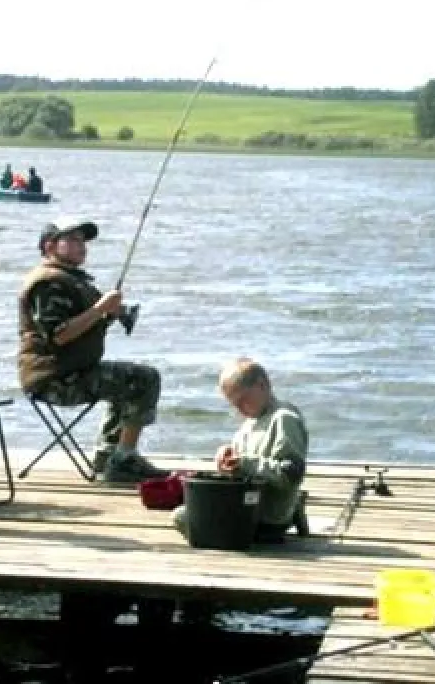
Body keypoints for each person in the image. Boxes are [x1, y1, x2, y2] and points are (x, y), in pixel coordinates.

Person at [17, 218, 168, 483]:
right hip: (55, 380)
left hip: (73, 370)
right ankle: (124, 458)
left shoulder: (70, 280)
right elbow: (59, 335)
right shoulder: (47, 283)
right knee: (144, 379)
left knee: (123, 378)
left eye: (83, 240)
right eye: (73, 240)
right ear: (50, 246)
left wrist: (108, 313)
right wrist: (100, 309)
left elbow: (82, 326)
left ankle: (108, 454)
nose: (82, 246)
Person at [173, 357, 310, 543]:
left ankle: (248, 536)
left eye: (243, 401)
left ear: (262, 385)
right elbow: (241, 466)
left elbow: (291, 475)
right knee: (191, 504)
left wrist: (245, 463)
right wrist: (227, 460)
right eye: (233, 405)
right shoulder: (250, 422)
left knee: (184, 517)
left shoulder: (283, 419)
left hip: (265, 518)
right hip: (248, 503)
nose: (239, 409)